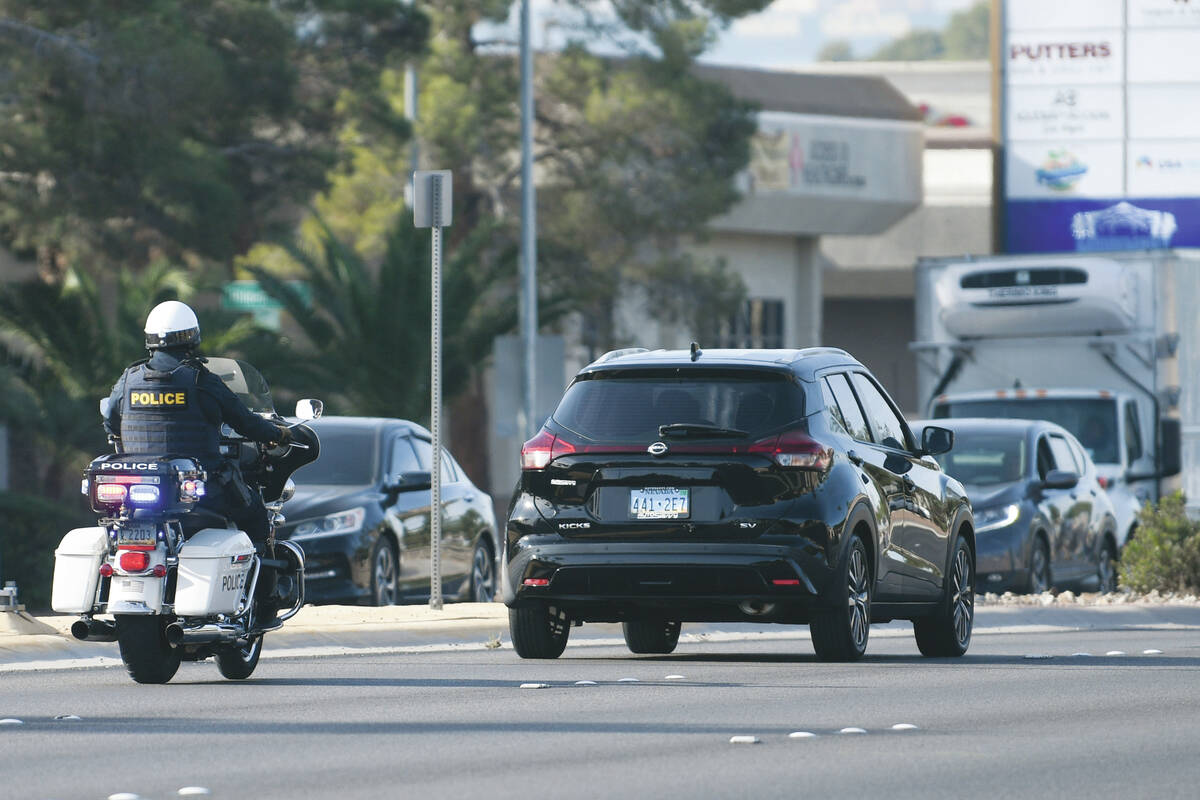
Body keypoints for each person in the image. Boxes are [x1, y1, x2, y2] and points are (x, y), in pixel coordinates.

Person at [102, 300, 291, 622]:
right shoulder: (201, 381)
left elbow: (110, 420)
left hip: (136, 490)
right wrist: (278, 435)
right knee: (257, 518)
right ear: (191, 338)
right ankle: (265, 603)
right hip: (200, 490)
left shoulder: (128, 379)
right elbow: (245, 422)